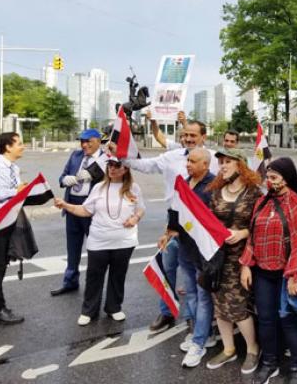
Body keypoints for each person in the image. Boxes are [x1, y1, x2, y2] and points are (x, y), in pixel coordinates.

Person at [122, 120, 215, 332]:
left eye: (193, 135)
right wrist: (121, 157)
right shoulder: (171, 157)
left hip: (201, 228)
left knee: (195, 275)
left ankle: (194, 318)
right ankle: (167, 312)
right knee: (167, 267)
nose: (188, 139)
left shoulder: (213, 159)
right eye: (185, 135)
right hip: (174, 223)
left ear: (203, 137)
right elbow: (145, 165)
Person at [240, 157, 297, 384]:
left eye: (273, 177)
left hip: (285, 274)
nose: (268, 181)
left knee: (289, 321)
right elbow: (252, 236)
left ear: (286, 178)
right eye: (267, 177)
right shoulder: (262, 202)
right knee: (266, 320)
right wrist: (246, 265)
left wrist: (294, 275)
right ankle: (269, 363)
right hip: (263, 273)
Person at [55, 157, 145, 325]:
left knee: (118, 276)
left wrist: (135, 218)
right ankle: (89, 311)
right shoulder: (99, 187)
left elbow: (140, 209)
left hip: (125, 241)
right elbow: (85, 210)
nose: (112, 168)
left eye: (116, 165)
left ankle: (114, 308)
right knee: (94, 276)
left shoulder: (134, 188)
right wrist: (66, 205)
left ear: (125, 169)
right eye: (109, 165)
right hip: (99, 240)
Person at [205, 148, 262, 374]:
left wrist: (242, 233)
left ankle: (252, 349)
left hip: (242, 258)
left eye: (228, 161)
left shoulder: (254, 193)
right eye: (221, 162)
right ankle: (229, 349)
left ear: (241, 165)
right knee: (219, 305)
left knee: (238, 306)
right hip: (218, 258)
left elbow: (260, 225)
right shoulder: (216, 192)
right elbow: (208, 221)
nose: (223, 166)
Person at [163, 147, 217, 368]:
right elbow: (175, 211)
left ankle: (199, 343)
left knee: (203, 297)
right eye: (188, 161)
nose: (188, 164)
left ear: (205, 164)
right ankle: (202, 333)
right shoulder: (184, 183)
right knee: (192, 294)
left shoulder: (214, 187)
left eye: (193, 161)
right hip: (184, 248)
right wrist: (168, 232)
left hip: (203, 253)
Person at [52, 128, 109, 296]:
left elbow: (112, 180)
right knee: (73, 247)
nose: (84, 145)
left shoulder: (106, 158)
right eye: (82, 141)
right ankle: (70, 281)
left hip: (93, 209)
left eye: (88, 141)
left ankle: (93, 286)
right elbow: (62, 177)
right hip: (72, 205)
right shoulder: (76, 155)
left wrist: (95, 175)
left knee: (95, 250)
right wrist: (64, 180)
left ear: (98, 141)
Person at [0, 132, 27, 325]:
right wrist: (14, 191)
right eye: (19, 143)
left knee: (1, 266)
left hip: (8, 222)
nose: (23, 146)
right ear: (7, 147)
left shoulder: (14, 168)